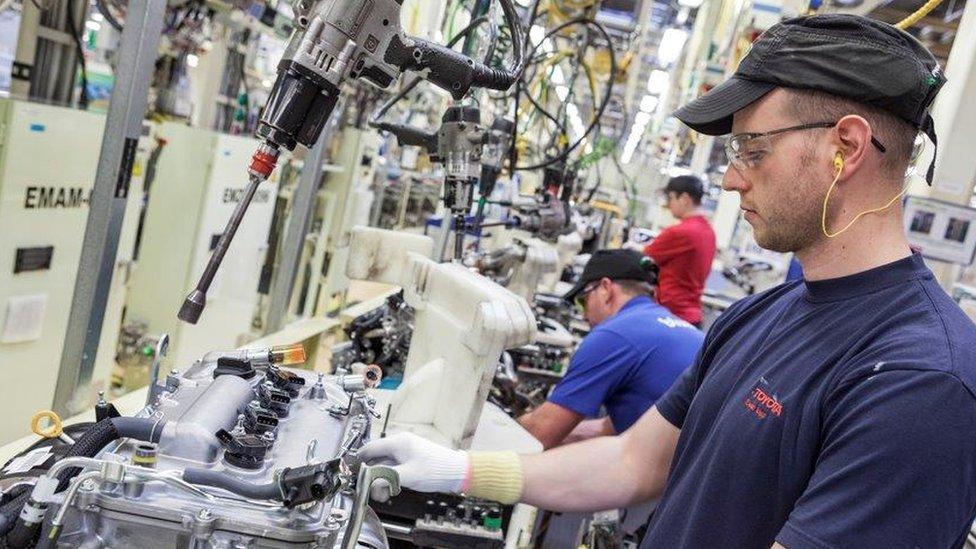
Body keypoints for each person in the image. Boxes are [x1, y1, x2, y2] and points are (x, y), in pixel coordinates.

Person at [361, 15, 976, 548]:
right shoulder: (762, 314)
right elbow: (633, 462)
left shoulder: (920, 382)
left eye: (752, 151)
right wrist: (460, 471)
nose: (732, 181)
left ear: (847, 146)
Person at [517, 249, 704, 449]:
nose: (584, 315)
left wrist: (503, 420)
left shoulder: (614, 334)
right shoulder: (672, 328)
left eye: (583, 300)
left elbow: (539, 435)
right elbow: (612, 428)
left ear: (605, 288)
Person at [643, 175, 717, 327]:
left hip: (669, 315)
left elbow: (642, 260)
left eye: (670, 198)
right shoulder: (708, 231)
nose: (669, 205)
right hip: (692, 317)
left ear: (684, 198)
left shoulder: (681, 232)